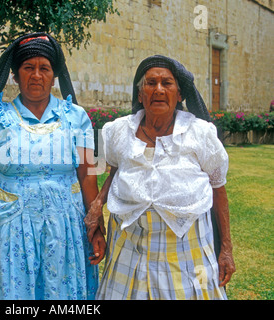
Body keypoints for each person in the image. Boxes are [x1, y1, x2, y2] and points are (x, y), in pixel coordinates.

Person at [0, 33, 105, 300]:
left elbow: (87, 174)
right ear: (15, 76)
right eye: (28, 68)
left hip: (66, 226)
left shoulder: (76, 117)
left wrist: (96, 225)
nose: (37, 75)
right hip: (10, 226)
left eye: (45, 68)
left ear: (54, 76)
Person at [86, 55, 235, 300]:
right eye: (150, 83)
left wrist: (226, 249)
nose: (158, 89)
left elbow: (218, 188)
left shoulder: (200, 133)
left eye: (167, 83)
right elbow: (113, 169)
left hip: (187, 250)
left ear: (179, 94)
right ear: (140, 94)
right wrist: (97, 205)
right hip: (129, 248)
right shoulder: (116, 130)